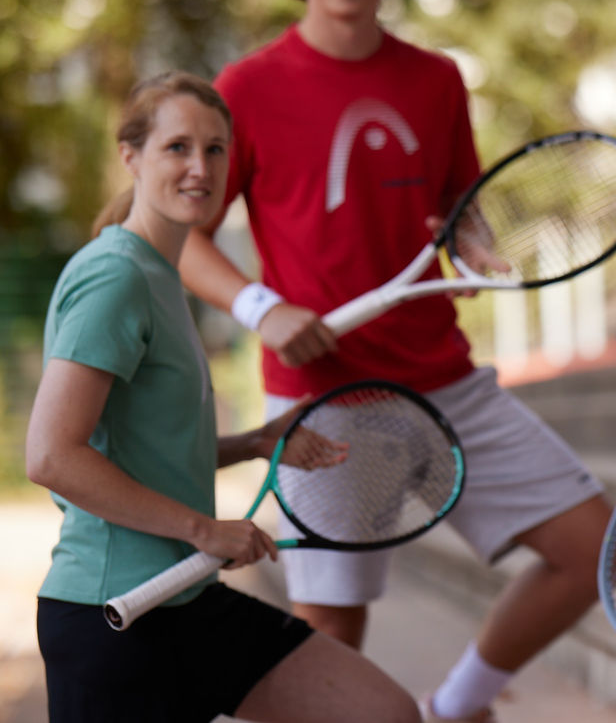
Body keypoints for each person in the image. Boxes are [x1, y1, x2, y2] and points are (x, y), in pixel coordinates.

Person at [176, 0, 610, 720]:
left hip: (446, 380)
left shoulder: (438, 78)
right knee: (332, 639)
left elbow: (455, 207)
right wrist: (263, 309)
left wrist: (475, 248)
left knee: (593, 545)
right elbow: (183, 236)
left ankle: (455, 708)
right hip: (324, 404)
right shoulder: (247, 86)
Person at [26, 71, 420, 723]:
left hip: (189, 600)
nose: (200, 167)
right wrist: (204, 530)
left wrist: (253, 445)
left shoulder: (159, 274)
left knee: (382, 711)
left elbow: (138, 448)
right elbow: (52, 457)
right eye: (177, 146)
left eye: (215, 149)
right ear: (131, 156)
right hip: (114, 612)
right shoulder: (114, 276)